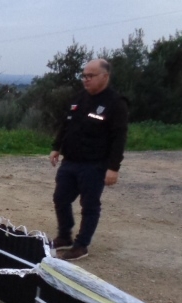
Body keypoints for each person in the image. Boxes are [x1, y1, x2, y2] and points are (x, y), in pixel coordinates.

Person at [49, 59, 128, 261]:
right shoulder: (79, 98)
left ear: (105, 76)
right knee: (61, 198)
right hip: (71, 161)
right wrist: (56, 147)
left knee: (90, 205)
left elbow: (119, 138)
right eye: (84, 75)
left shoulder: (115, 103)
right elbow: (66, 124)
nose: (86, 80)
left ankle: (81, 245)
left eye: (90, 76)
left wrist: (113, 168)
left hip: (94, 164)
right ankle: (64, 236)